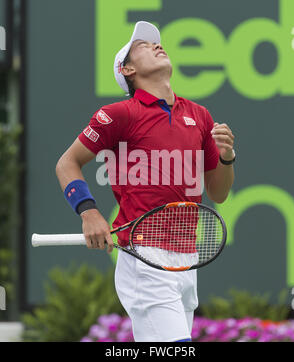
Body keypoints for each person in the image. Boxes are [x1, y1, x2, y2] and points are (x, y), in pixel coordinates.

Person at [55, 21, 235, 342]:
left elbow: (218, 193)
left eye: (156, 43)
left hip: (187, 260)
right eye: (142, 46)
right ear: (127, 71)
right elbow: (67, 164)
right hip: (145, 257)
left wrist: (226, 157)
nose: (155, 45)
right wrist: (89, 212)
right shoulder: (119, 114)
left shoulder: (201, 116)